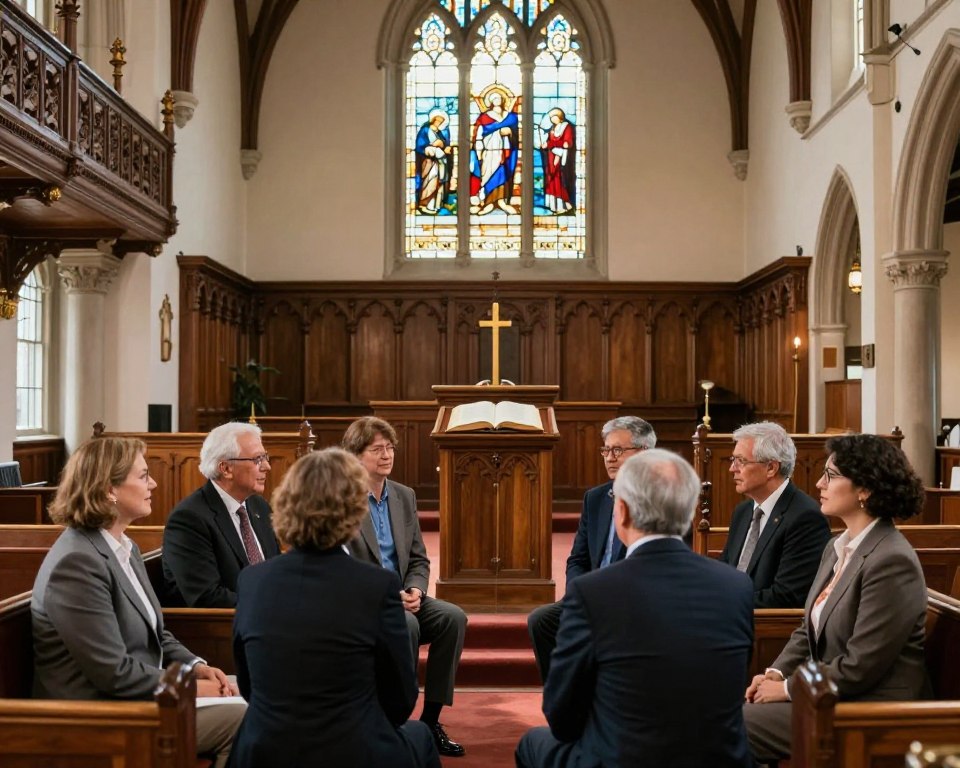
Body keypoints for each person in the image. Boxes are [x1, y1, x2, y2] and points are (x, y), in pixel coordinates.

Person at [516, 449, 754, 768]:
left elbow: (562, 718)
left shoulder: (591, 593)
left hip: (623, 759)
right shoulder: (736, 587)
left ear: (623, 512)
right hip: (718, 758)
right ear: (689, 513)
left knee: (532, 743)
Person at [31, 437, 244, 768]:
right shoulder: (76, 563)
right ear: (107, 490)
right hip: (98, 716)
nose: (154, 483)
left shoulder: (122, 546)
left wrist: (195, 666)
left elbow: (156, 634)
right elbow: (112, 673)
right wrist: (190, 687)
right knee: (247, 719)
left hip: (146, 696)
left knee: (257, 689)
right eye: (144, 476)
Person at [228, 448, 440, 768]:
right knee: (420, 736)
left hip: (266, 749)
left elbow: (249, 687)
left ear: (286, 505)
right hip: (352, 750)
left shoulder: (252, 581)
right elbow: (400, 702)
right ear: (354, 510)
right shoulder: (377, 586)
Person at [743, 433, 930, 763]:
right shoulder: (837, 547)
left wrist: (786, 690)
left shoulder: (890, 560)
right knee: (716, 712)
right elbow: (807, 630)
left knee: (726, 725)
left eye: (830, 475)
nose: (818, 484)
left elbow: (860, 667)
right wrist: (776, 673)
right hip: (828, 695)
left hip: (872, 710)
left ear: (865, 489)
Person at [342, 416, 468, 758]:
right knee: (407, 625)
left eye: (390, 448)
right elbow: (343, 567)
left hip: (404, 596)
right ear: (355, 455)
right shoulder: (343, 499)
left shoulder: (403, 496)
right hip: (366, 602)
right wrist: (387, 597)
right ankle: (396, 722)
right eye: (377, 449)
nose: (386, 455)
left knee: (453, 618)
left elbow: (418, 558)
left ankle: (429, 720)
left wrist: (416, 589)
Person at [527, 415, 656, 682]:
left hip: (632, 600)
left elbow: (649, 565)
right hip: (591, 596)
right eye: (606, 450)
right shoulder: (596, 497)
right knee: (542, 620)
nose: (609, 457)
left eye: (618, 450)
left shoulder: (659, 499)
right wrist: (578, 594)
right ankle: (563, 701)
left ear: (644, 454)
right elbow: (578, 558)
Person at [162, 422, 281, 607]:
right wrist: (270, 606)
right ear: (226, 469)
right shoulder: (189, 520)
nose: (267, 466)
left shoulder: (259, 506)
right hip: (224, 628)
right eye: (257, 459)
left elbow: (275, 572)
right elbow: (207, 597)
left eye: (265, 457)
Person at [719, 421, 831, 607]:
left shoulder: (805, 518)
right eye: (733, 460)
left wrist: (724, 603)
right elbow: (725, 571)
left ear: (771, 468)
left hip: (767, 628)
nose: (733, 469)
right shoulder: (743, 512)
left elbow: (786, 596)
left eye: (741, 461)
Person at [469, 87, 519, 215]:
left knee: (504, 173)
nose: (497, 100)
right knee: (488, 175)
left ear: (503, 100)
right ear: (490, 101)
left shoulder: (511, 117)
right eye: (494, 98)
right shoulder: (485, 117)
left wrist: (510, 133)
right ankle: (489, 203)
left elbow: (516, 134)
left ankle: (502, 202)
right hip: (489, 152)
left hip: (506, 151)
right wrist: (498, 132)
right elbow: (479, 135)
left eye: (499, 98)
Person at [538, 107, 576, 214]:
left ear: (560, 116)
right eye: (551, 118)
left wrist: (550, 144)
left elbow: (567, 143)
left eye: (554, 116)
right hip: (550, 156)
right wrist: (544, 145)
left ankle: (563, 204)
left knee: (558, 178)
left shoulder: (566, 127)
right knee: (551, 178)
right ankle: (553, 205)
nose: (552, 119)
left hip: (562, 157)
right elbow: (550, 142)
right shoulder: (552, 129)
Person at [415, 108, 453, 214]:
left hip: (440, 161)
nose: (439, 122)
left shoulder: (440, 133)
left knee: (439, 182)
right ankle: (424, 204)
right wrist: (430, 148)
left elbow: (445, 145)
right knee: (430, 180)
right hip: (428, 161)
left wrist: (444, 147)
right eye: (437, 120)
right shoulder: (425, 130)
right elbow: (420, 145)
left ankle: (436, 205)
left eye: (441, 121)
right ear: (433, 119)